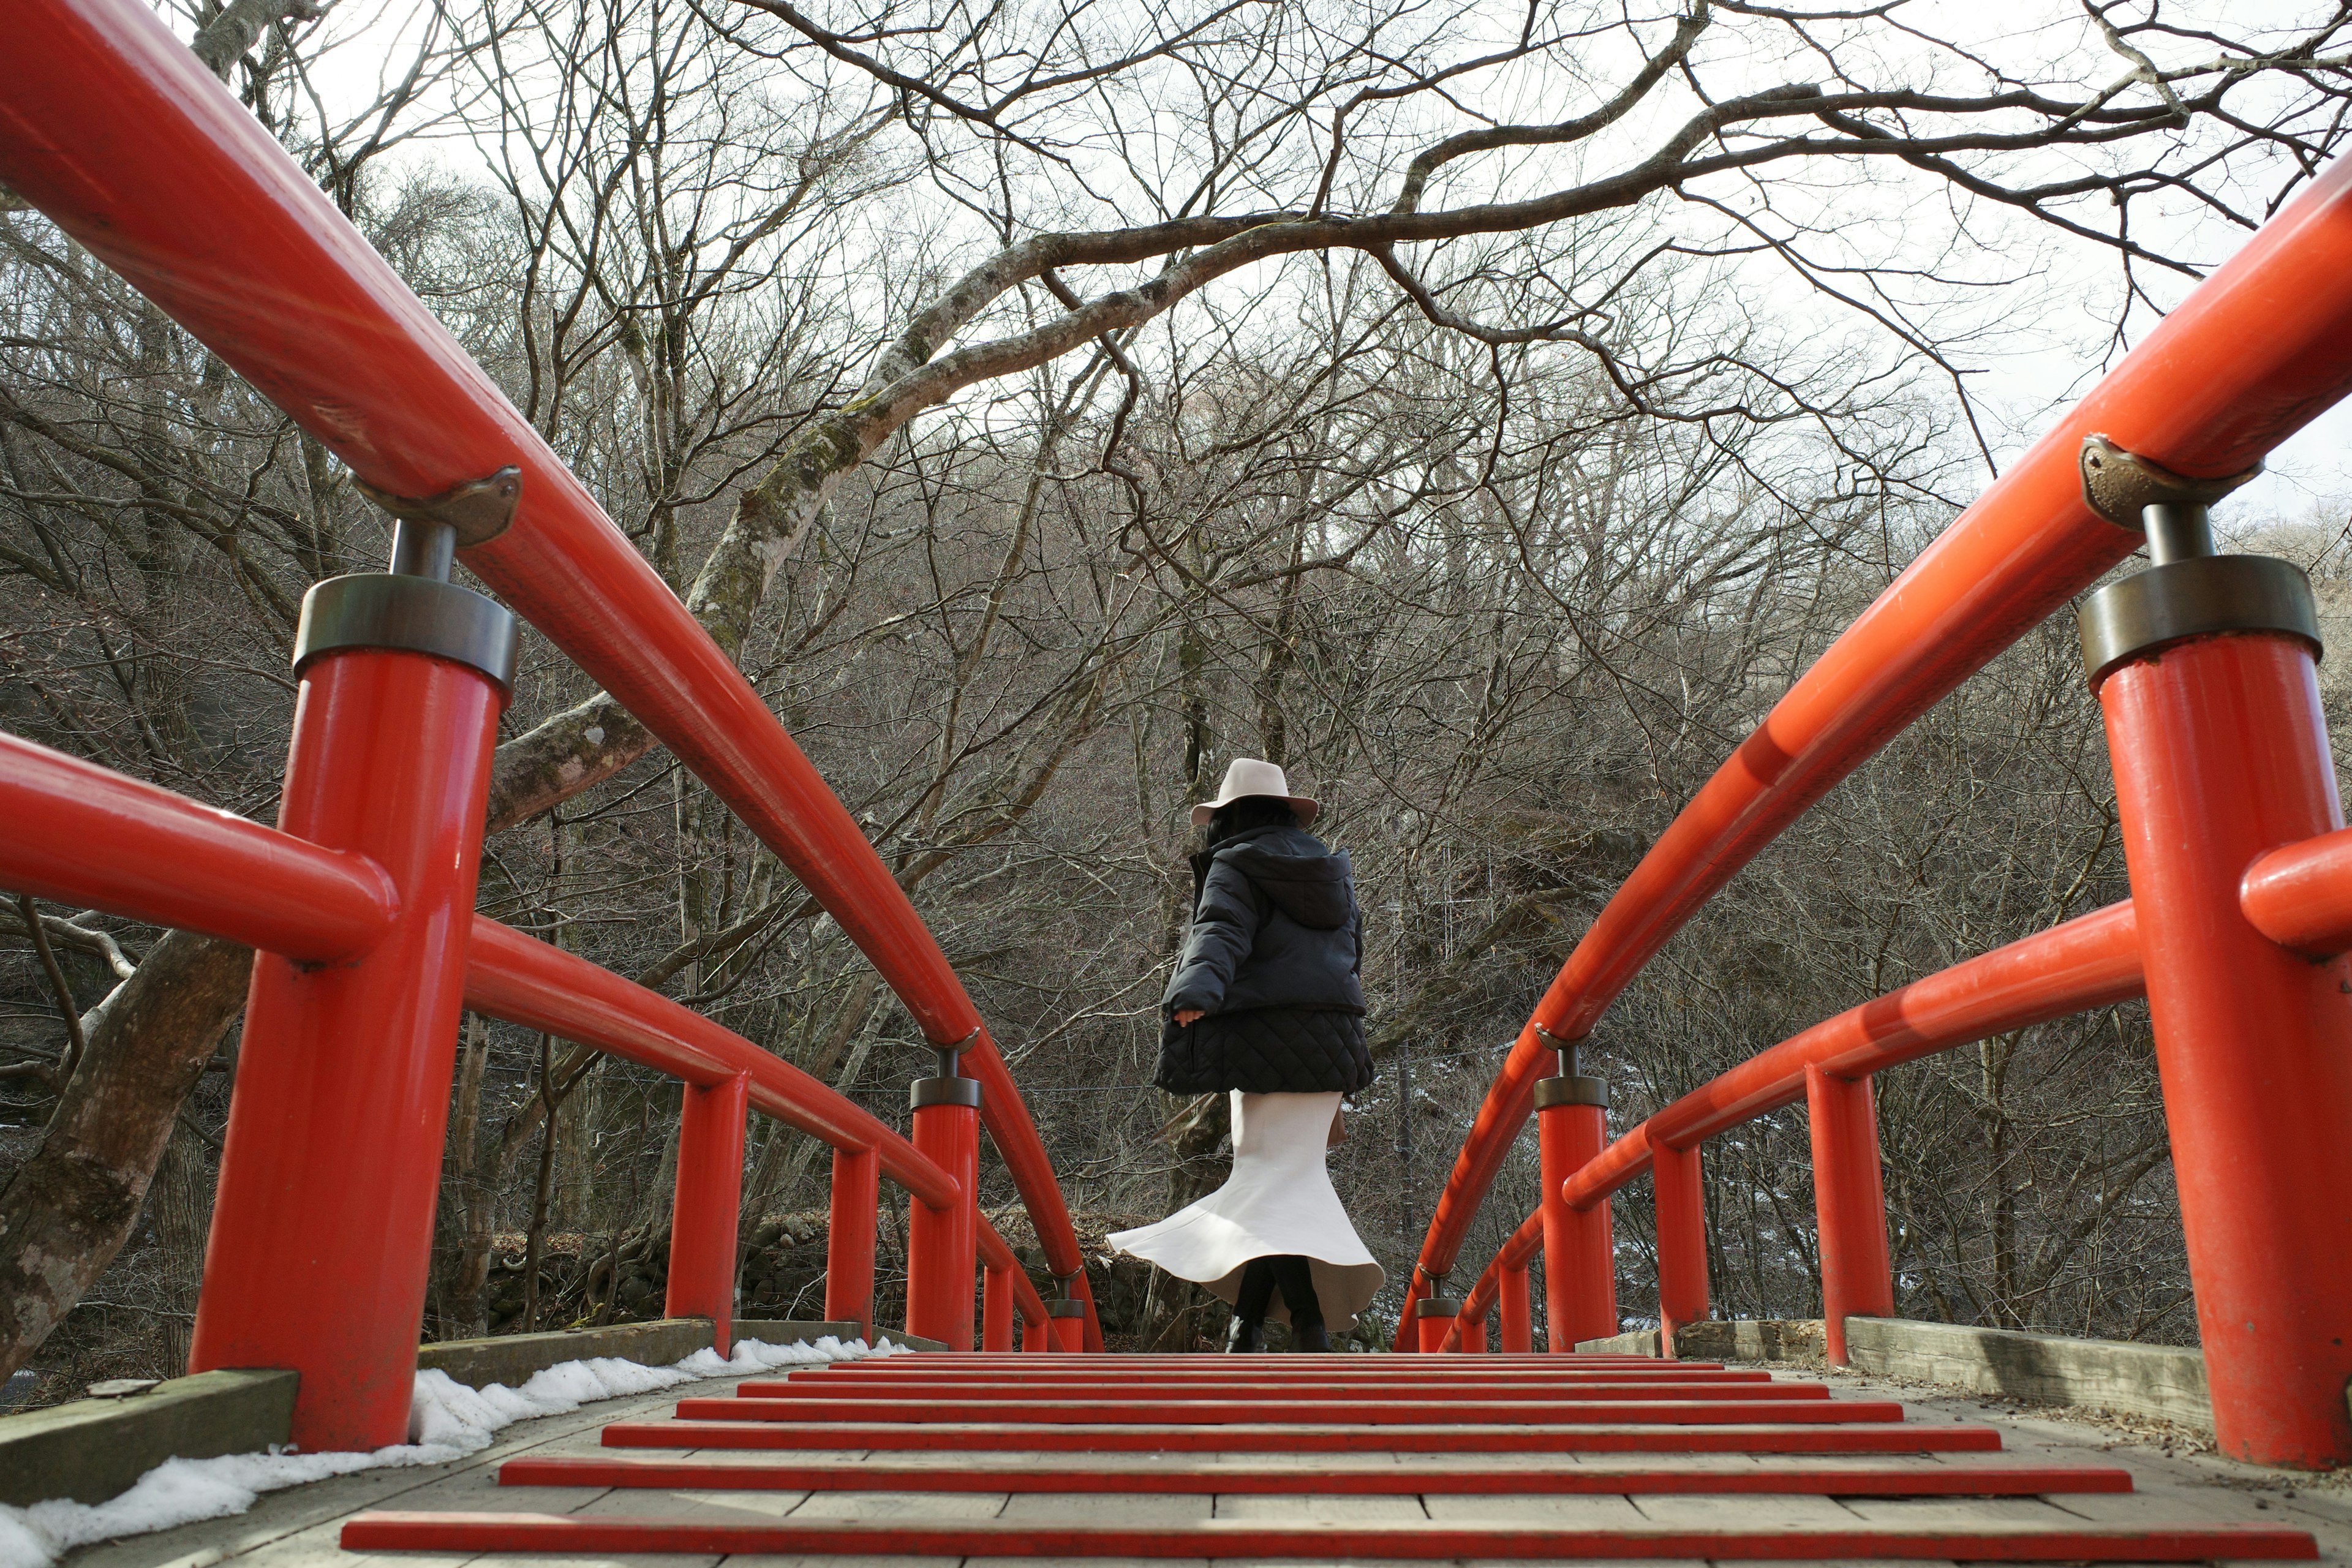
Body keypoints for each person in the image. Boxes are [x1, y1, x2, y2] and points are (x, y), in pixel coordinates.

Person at [1109, 758, 1383, 1351]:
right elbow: (1353, 954)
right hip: (1331, 1050)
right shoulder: (1331, 872)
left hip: (1264, 1049)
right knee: (1284, 1187)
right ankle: (1248, 1326)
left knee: (1269, 1185)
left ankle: (1305, 1324)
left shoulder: (1236, 863)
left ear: (1229, 817)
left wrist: (1193, 993)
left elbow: (1220, 932)